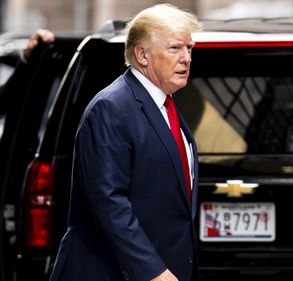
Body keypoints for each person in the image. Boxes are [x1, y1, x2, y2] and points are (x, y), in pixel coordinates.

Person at [49, 4, 202, 281]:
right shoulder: (111, 107)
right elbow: (108, 203)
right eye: (175, 48)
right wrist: (153, 271)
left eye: (189, 48)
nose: (186, 58)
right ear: (142, 55)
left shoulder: (166, 106)